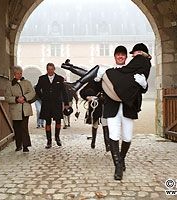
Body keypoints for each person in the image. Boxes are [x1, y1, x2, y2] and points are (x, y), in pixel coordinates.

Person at [62, 43, 151, 180]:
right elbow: (90, 75)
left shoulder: (132, 69)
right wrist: (72, 68)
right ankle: (118, 166)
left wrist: (144, 85)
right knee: (114, 136)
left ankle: (121, 159)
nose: (120, 56)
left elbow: (142, 86)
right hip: (112, 107)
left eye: (123, 54)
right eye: (118, 54)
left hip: (128, 107)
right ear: (115, 56)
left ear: (127, 57)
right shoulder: (110, 72)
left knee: (127, 137)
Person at [35, 63, 69, 148]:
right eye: (48, 69)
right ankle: (49, 141)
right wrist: (42, 97)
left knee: (58, 121)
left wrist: (66, 104)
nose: (50, 71)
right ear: (46, 69)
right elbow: (37, 88)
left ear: (54, 69)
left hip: (57, 103)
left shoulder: (60, 79)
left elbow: (64, 92)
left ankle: (57, 138)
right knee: (48, 121)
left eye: (51, 69)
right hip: (46, 103)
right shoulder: (42, 78)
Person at [5, 66, 36, 153]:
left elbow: (32, 92)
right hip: (15, 109)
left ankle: (26, 145)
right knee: (17, 128)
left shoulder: (27, 82)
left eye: (20, 73)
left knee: (24, 127)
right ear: (14, 74)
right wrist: (16, 99)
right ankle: (18, 145)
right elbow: (7, 97)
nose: (19, 75)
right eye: (17, 73)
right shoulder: (10, 84)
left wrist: (25, 98)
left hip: (25, 109)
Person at [79, 78, 110, 151]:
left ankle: (107, 144)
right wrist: (87, 97)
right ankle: (93, 141)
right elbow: (82, 92)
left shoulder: (107, 81)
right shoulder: (92, 82)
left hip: (105, 106)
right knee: (95, 124)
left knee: (105, 124)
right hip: (95, 107)